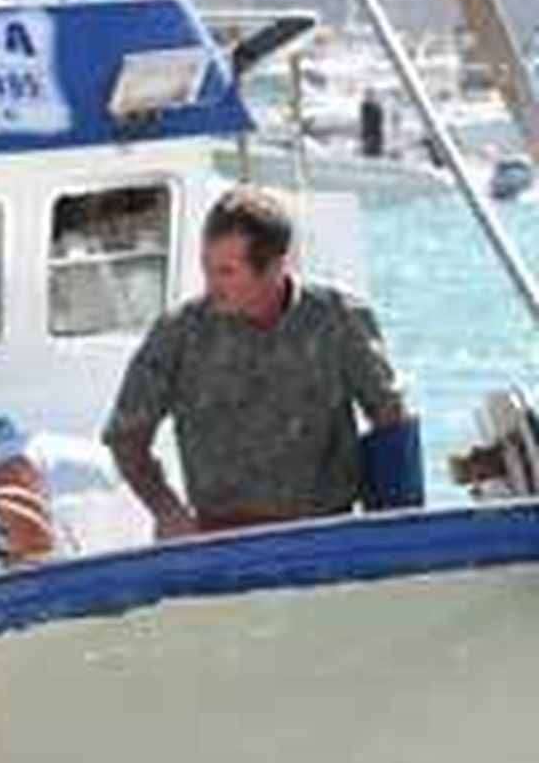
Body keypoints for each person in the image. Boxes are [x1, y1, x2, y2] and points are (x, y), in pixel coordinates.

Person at [102, 187, 410, 538]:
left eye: (226, 272)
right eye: (207, 268)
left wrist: (396, 534)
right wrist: (168, 510)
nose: (211, 285)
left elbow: (390, 419)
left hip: (324, 537)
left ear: (275, 268)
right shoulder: (179, 332)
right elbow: (126, 437)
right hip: (221, 540)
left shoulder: (337, 318)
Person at [0, 414, 151, 563]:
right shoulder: (58, 447)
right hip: (135, 536)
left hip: (89, 559)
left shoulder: (0, 459)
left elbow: (33, 543)